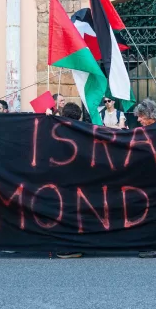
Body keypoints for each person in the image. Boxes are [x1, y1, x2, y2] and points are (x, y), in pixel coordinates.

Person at [134, 99, 156, 259]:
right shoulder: (149, 131)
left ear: (149, 115)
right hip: (149, 179)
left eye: (140, 116)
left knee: (155, 213)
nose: (138, 120)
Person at [54, 102, 85, 259]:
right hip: (80, 180)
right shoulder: (85, 131)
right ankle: (77, 245)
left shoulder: (56, 130)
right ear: (78, 116)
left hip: (62, 181)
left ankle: (69, 247)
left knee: (66, 214)